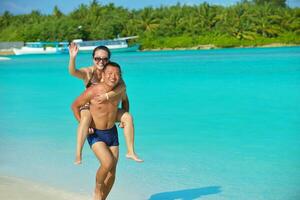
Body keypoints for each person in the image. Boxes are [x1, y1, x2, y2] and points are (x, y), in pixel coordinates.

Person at [68, 43, 143, 164]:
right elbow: (73, 72)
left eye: (104, 59)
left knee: (127, 117)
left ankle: (130, 151)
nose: (101, 61)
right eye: (97, 58)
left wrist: (108, 96)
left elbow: (123, 87)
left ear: (109, 59)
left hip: (108, 109)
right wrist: (72, 58)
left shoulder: (112, 74)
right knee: (86, 117)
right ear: (93, 59)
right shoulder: (89, 72)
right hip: (89, 105)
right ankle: (78, 154)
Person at [72, 62, 126, 200]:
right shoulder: (93, 90)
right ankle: (98, 187)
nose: (113, 77)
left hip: (112, 132)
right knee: (107, 163)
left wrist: (125, 117)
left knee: (112, 172)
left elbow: (125, 101)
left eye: (117, 74)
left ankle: (101, 199)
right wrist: (82, 123)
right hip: (96, 133)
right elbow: (75, 105)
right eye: (110, 74)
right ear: (102, 75)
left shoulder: (120, 89)